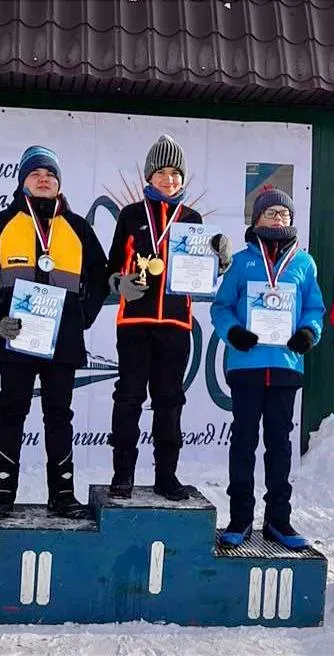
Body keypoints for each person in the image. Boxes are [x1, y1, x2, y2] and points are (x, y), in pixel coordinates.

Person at [0, 145, 110, 519]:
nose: (43, 179)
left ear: (59, 183)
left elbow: (100, 276)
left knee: (58, 414)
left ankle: (63, 493)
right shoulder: (2, 223)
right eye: (35, 174)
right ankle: (3, 491)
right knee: (12, 411)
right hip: (16, 335)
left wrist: (82, 314)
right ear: (23, 182)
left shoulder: (78, 227)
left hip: (62, 341)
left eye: (50, 174)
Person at [106, 134, 232, 501]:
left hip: (176, 325)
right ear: (149, 176)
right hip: (134, 323)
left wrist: (220, 261)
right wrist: (120, 282)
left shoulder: (192, 220)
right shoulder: (131, 215)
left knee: (170, 400)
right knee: (128, 398)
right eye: (161, 172)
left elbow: (206, 272)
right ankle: (123, 475)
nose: (169, 179)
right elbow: (112, 266)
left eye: (175, 173)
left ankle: (167, 476)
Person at [210, 186, 325, 550]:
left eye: (284, 214)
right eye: (271, 213)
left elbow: (314, 309)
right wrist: (234, 333)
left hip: (286, 366)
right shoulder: (243, 262)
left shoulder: (304, 264)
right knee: (244, 440)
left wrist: (308, 333)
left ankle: (279, 520)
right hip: (247, 364)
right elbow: (221, 307)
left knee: (280, 445)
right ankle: (240, 518)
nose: (279, 219)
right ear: (257, 219)